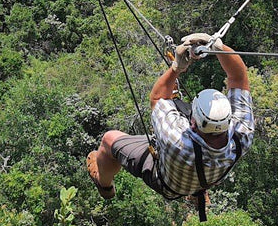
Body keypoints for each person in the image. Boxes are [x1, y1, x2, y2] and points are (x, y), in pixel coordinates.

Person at [86, 31, 256, 207]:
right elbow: (238, 77)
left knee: (109, 140)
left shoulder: (176, 140)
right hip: (207, 174)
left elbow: (158, 99)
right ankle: (199, 190)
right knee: (178, 110)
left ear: (193, 122)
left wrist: (177, 67)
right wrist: (219, 48)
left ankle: (104, 184)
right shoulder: (242, 133)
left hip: (168, 183)